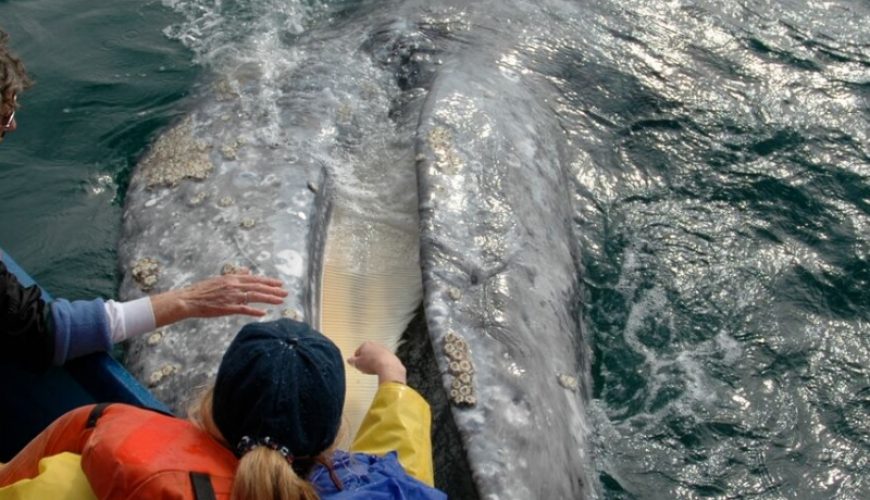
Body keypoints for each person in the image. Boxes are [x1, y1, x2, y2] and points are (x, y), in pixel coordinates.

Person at [0, 319, 446, 499]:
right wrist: (393, 378)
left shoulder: (67, 481)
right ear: (329, 440)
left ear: (210, 403)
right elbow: (398, 471)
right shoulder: (376, 487)